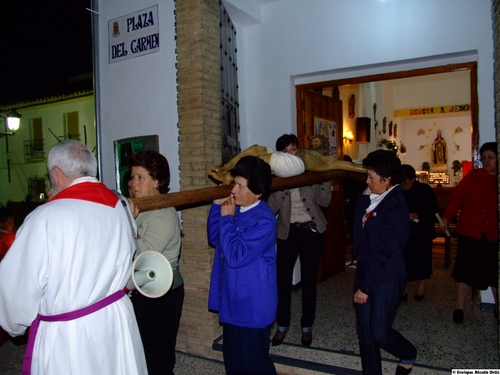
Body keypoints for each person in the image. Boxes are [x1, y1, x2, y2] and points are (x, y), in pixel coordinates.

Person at [0, 140, 147, 375]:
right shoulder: (120, 206)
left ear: (57, 173)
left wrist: (14, 325)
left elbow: (16, 291)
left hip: (72, 336)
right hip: (116, 321)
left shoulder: (46, 218)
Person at [207, 156, 277, 375]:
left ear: (257, 193)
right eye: (234, 183)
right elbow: (215, 239)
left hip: (252, 306)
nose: (234, 190)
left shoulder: (264, 220)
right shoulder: (235, 208)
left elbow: (236, 255)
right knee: (235, 364)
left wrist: (226, 219)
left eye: (240, 186)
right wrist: (216, 209)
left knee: (255, 366)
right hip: (232, 301)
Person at [352, 150, 416, 375]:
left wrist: (365, 287)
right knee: (365, 333)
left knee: (379, 331)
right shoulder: (375, 198)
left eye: (371, 177)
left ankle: (408, 352)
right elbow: (358, 234)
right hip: (367, 272)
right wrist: (364, 197)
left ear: (387, 179)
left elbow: (385, 251)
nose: (367, 181)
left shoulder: (396, 205)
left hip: (386, 277)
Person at [267, 134, 331, 347]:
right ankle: (282, 325)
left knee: (309, 280)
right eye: (285, 151)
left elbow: (325, 201)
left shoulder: (310, 172)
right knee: (282, 279)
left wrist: (323, 176)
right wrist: (280, 186)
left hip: (311, 230)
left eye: (293, 149)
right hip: (287, 233)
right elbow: (271, 209)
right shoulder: (277, 179)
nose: (290, 154)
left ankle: (307, 326)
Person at [127, 150, 184, 375]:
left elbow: (143, 255)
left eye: (141, 177)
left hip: (163, 295)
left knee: (158, 357)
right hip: (142, 291)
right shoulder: (140, 207)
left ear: (157, 181)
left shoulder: (164, 213)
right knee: (142, 353)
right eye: (132, 177)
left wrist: (127, 223)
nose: (134, 183)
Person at [439, 142, 499, 324]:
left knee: (494, 273)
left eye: (490, 157)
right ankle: (460, 307)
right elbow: (457, 198)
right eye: (484, 158)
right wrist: (447, 218)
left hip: (493, 234)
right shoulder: (473, 176)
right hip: (470, 231)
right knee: (464, 272)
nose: (486, 161)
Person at [209, 140, 366, 185]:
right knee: (256, 149)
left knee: (260, 160)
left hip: (295, 166)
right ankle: (225, 167)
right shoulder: (301, 151)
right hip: (288, 160)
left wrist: (365, 171)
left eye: (318, 143)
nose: (314, 142)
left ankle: (229, 177)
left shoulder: (323, 161)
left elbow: (346, 165)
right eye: (314, 141)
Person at [400, 164, 439, 301]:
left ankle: (422, 287)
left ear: (412, 179)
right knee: (403, 259)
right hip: (405, 231)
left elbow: (433, 210)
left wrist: (418, 215)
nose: (404, 185)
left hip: (422, 230)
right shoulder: (399, 191)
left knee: (422, 259)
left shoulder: (424, 189)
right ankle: (402, 288)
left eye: (406, 182)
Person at [343, 155, 367, 268]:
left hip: (356, 208)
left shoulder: (357, 178)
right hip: (351, 208)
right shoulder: (348, 178)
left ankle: (357, 257)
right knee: (354, 233)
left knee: (358, 233)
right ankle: (354, 256)